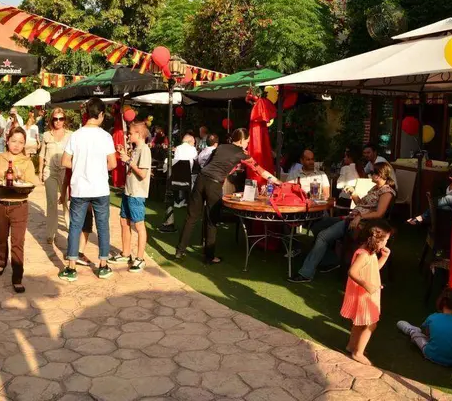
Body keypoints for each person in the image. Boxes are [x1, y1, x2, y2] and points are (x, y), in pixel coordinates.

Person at [175, 128, 281, 264]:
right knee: (212, 220)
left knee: (191, 217)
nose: (248, 144)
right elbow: (259, 170)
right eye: (247, 141)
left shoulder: (220, 147)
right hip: (214, 184)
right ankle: (209, 257)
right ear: (242, 140)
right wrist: (277, 181)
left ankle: (179, 251)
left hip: (201, 179)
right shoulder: (243, 154)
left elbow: (208, 164)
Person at [289, 162, 397, 283]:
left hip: (360, 224)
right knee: (318, 225)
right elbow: (362, 205)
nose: (370, 174)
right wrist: (353, 193)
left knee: (323, 236)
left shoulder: (386, 192)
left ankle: (306, 273)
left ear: (379, 175)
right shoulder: (375, 188)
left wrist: (359, 217)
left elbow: (379, 214)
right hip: (351, 218)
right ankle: (331, 260)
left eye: (372, 173)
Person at [59, 98, 117, 281]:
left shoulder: (75, 135)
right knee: (102, 227)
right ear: (100, 114)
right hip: (100, 188)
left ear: (86, 114)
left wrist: (80, 167)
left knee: (75, 227)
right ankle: (103, 265)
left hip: (80, 188)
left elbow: (65, 161)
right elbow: (113, 163)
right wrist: (98, 167)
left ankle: (71, 267)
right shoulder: (106, 136)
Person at [0, 127, 40, 293]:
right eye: (14, 141)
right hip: (0, 205)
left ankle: (17, 277)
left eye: (21, 142)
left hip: (19, 206)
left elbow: (31, 184)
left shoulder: (26, 161)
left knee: (18, 243)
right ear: (7, 140)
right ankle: (1, 263)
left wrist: (22, 183)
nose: (17, 145)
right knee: (1, 238)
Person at [340, 219, 392, 365]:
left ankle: (352, 346)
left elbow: (374, 269)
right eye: (385, 240)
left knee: (359, 323)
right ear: (377, 240)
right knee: (371, 324)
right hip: (365, 295)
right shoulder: (364, 254)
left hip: (367, 293)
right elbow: (352, 272)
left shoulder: (370, 252)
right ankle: (358, 353)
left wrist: (384, 257)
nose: (386, 243)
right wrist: (366, 284)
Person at [108, 121, 152, 272]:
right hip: (128, 191)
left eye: (131, 133)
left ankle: (140, 258)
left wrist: (128, 161)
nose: (128, 135)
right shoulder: (136, 149)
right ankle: (126, 253)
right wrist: (125, 155)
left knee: (139, 225)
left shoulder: (144, 150)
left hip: (137, 193)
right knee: (123, 221)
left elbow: (143, 173)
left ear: (139, 134)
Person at [397, 288, 452, 367]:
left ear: (443, 303)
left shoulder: (433, 317)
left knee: (417, 335)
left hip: (431, 355)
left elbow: (426, 332)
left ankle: (411, 330)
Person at [39, 108, 73, 244]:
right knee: (52, 202)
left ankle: (70, 226)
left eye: (61, 118)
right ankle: (51, 233)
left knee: (66, 200)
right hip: (50, 170)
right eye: (55, 118)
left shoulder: (71, 135)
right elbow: (41, 154)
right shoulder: (46, 135)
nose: (58, 121)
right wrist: (40, 171)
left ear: (64, 120)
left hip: (65, 171)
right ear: (51, 120)